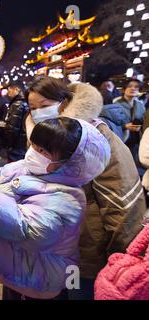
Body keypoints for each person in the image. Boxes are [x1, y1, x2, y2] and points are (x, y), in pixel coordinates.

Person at [22, 77, 147, 300]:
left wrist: (119, 260)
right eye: (33, 108)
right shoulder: (38, 137)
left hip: (87, 251)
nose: (38, 112)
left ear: (64, 101)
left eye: (45, 105)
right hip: (48, 247)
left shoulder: (95, 137)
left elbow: (121, 201)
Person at [0, 117, 111, 300]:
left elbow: (23, 229)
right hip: (15, 269)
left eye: (42, 150)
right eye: (33, 145)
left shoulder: (68, 198)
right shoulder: (32, 168)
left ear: (68, 161)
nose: (33, 152)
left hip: (39, 280)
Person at [115, 79, 146, 176]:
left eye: (136, 87)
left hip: (137, 139)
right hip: (122, 139)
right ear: (124, 89)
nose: (133, 88)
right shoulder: (116, 104)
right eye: (129, 86)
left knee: (135, 165)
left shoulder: (140, 105)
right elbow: (112, 123)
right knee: (122, 166)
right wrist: (125, 126)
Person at [1, 81, 29, 162]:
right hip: (23, 143)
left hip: (16, 144)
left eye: (9, 91)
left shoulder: (17, 104)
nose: (8, 94)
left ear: (16, 89)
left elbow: (12, 128)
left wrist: (9, 143)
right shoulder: (25, 102)